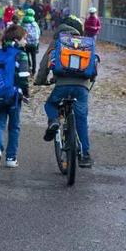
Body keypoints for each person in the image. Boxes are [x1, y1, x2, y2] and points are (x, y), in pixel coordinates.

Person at [35, 13, 94, 168]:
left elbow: (44, 65)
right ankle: (85, 155)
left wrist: (40, 81)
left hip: (62, 85)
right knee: (81, 119)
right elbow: (93, 66)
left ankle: (54, 121)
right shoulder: (85, 42)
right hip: (82, 87)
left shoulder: (58, 41)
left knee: (50, 105)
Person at [0, 25, 30, 169]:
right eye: (24, 38)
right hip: (14, 97)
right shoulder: (21, 55)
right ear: (17, 40)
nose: (26, 41)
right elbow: (24, 78)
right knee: (14, 127)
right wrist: (26, 94)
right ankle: (11, 158)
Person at [22, 8, 41, 73]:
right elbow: (38, 32)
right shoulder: (35, 23)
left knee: (26, 56)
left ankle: (29, 67)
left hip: (26, 43)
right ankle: (34, 70)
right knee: (34, 57)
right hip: (34, 43)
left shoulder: (23, 23)